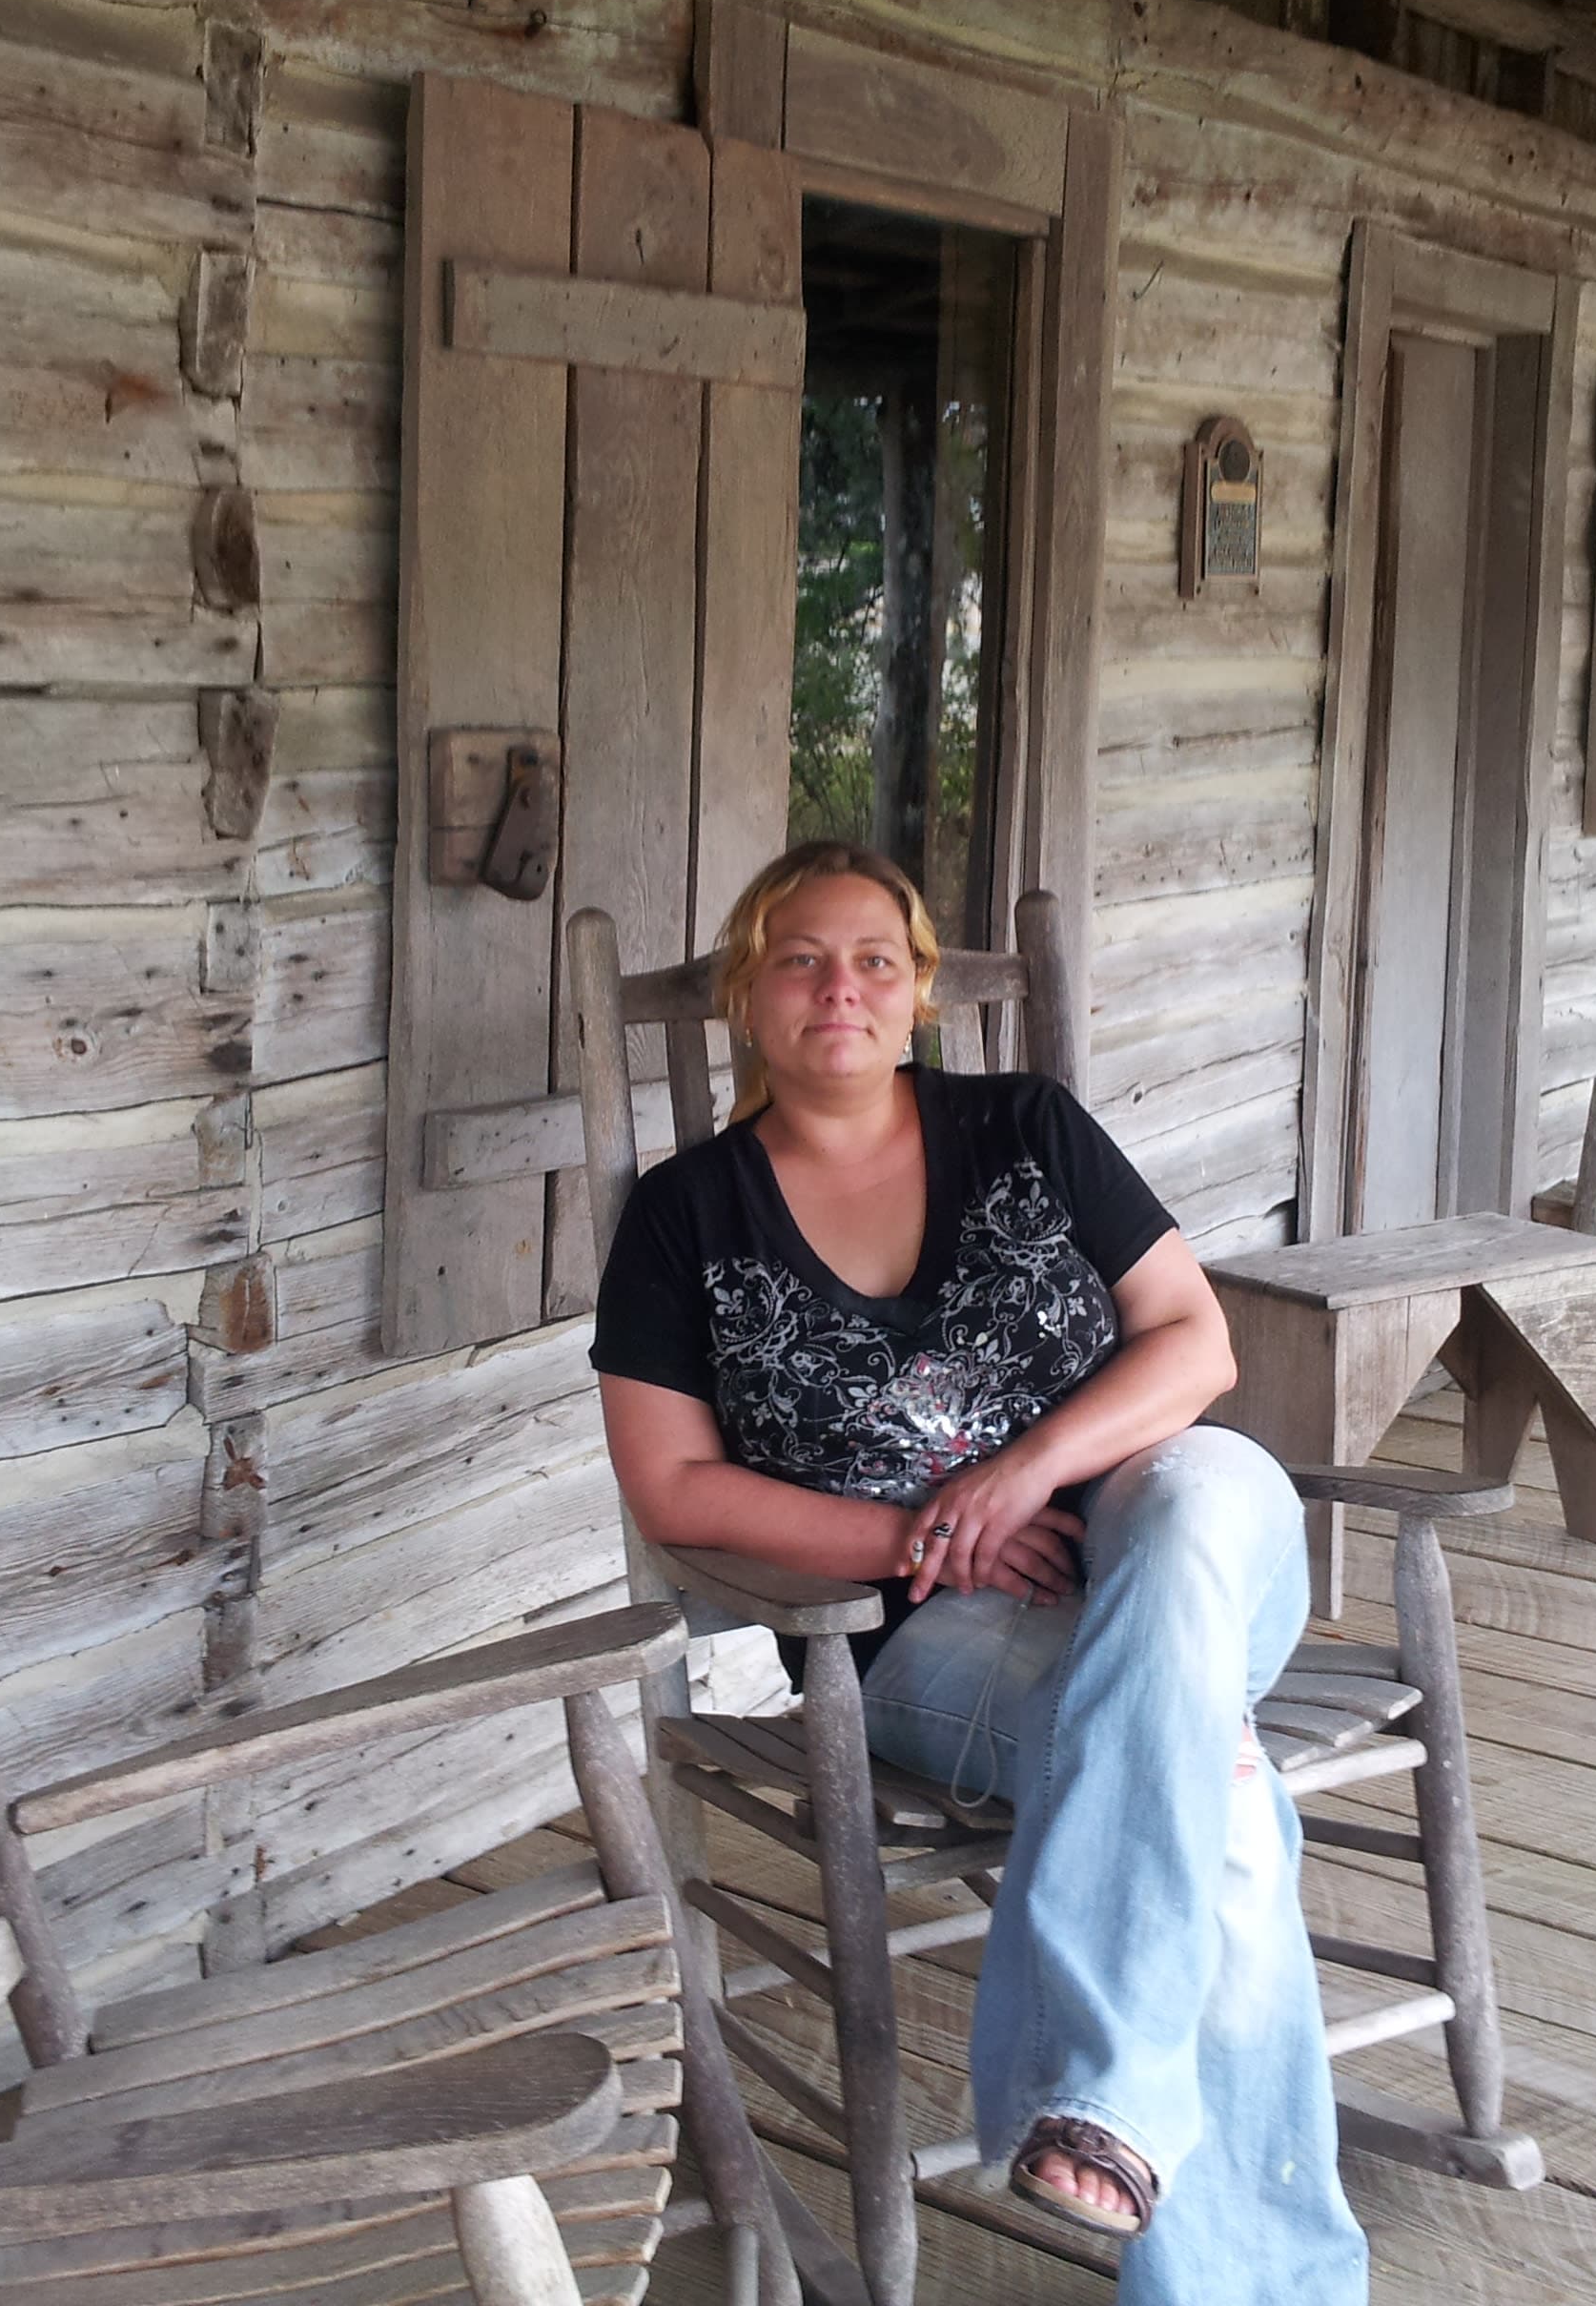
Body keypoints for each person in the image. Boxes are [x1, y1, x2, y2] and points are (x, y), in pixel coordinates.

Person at [590, 841, 1368, 2305]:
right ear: (747, 998)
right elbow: (673, 1486)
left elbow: (1195, 1345)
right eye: (801, 959)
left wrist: (1014, 1475)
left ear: (919, 992)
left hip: (1169, 1537)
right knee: (1220, 1799)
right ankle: (1199, 2205)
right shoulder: (685, 1214)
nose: (841, 986)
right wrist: (923, 1540)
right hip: (932, 1630)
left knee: (1196, 1494)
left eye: (875, 959)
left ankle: (1108, 2086)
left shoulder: (1027, 1124)